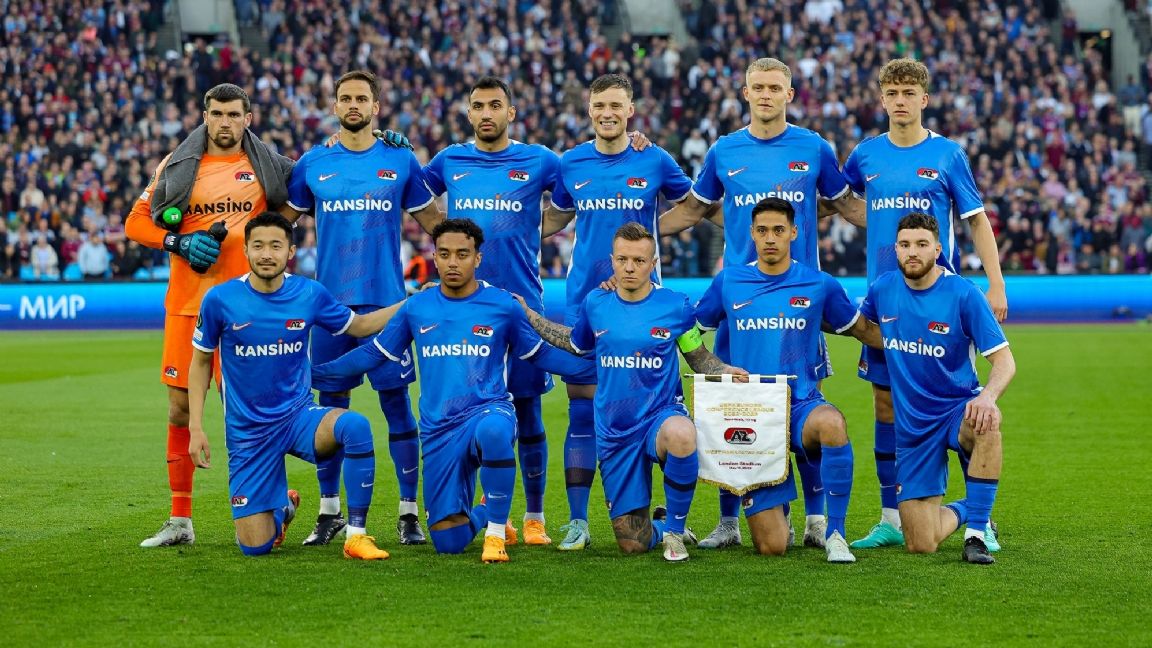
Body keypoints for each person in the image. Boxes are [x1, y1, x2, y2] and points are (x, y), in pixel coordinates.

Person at [658, 57, 864, 550]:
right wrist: (637, 231)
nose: (766, 94)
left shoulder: (814, 147)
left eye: (775, 87)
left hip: (798, 303)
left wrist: (904, 217)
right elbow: (694, 209)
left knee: (804, 402)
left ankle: (817, 520)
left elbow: (844, 204)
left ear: (789, 94)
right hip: (739, 301)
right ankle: (729, 522)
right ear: (745, 93)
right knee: (732, 404)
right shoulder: (725, 151)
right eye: (758, 87)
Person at [312, 219, 591, 563]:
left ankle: (495, 535)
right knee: (449, 541)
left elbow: (542, 355)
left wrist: (600, 371)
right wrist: (314, 374)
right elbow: (373, 354)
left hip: (488, 411)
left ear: (478, 258)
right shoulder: (417, 307)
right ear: (435, 257)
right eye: (444, 254)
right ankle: (484, 511)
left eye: (462, 254)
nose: (453, 262)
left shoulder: (502, 305)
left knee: (494, 431)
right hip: (439, 431)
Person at [841, 58, 1008, 551]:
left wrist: (996, 284)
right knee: (885, 404)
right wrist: (872, 217)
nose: (900, 101)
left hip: (939, 302)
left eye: (908, 93)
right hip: (886, 302)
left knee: (960, 403)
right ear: (882, 99)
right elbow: (840, 200)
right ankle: (891, 517)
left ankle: (980, 519)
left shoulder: (948, 154)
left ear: (924, 99)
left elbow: (975, 219)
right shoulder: (866, 155)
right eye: (892, 93)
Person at [126, 83, 296, 547]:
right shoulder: (177, 164)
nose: (225, 122)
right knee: (180, 408)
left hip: (249, 307)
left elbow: (312, 183)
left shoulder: (267, 166)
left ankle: (277, 500)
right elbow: (135, 222)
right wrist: (178, 242)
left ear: (248, 118)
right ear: (205, 116)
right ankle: (180, 520)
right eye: (217, 114)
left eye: (234, 114)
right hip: (188, 304)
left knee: (248, 410)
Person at [520, 222, 748, 562]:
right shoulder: (595, 304)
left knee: (682, 433)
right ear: (612, 260)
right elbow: (574, 343)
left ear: (653, 264)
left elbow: (698, 356)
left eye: (639, 261)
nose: (629, 267)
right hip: (616, 432)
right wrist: (529, 316)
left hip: (661, 417)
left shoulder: (676, 306)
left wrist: (725, 371)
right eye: (623, 259)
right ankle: (660, 525)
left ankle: (674, 532)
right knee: (633, 542)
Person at [283, 70, 442, 548]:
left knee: (398, 407)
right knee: (331, 412)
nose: (353, 105)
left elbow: (436, 224)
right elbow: (279, 223)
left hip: (388, 306)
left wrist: (462, 265)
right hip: (329, 310)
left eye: (362, 98)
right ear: (335, 106)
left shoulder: (400, 159)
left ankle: (408, 513)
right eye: (345, 98)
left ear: (376, 107)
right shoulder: (313, 163)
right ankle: (329, 510)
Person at [539, 73, 694, 551]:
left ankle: (668, 513)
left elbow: (694, 206)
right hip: (587, 303)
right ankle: (579, 522)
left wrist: (650, 239)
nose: (607, 113)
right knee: (582, 408)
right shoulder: (571, 162)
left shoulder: (654, 158)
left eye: (616, 105)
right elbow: (558, 216)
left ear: (630, 110)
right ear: (589, 110)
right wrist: (499, 227)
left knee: (651, 405)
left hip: (644, 307)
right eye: (599, 105)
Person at [187, 212, 395, 559]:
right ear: (246, 251)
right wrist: (195, 427)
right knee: (255, 548)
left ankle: (356, 536)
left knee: (355, 425)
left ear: (290, 252)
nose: (266, 254)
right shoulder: (219, 300)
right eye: (258, 246)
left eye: (275, 246)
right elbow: (200, 362)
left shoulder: (309, 293)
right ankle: (283, 507)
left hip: (298, 418)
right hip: (249, 434)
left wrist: (410, 304)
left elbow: (359, 326)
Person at [419, 76, 571, 544]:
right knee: (472, 409)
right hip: (465, 310)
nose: (487, 113)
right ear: (469, 113)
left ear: (511, 112)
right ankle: (487, 510)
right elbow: (411, 193)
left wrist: (536, 228)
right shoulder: (450, 160)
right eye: (478, 106)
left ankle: (534, 517)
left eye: (495, 105)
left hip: (521, 304)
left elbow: (575, 195)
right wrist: (446, 240)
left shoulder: (540, 160)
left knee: (528, 410)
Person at [694, 198, 881, 562]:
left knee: (832, 424)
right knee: (773, 547)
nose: (770, 238)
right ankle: (766, 510)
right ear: (751, 233)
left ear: (794, 233)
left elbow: (862, 329)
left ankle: (835, 533)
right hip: (750, 415)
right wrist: (713, 367)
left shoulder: (819, 284)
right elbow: (689, 331)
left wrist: (913, 338)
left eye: (778, 230)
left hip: (800, 406)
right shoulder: (729, 282)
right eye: (762, 230)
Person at [857, 212, 1014, 564]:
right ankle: (972, 509)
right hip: (914, 428)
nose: (912, 252)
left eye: (921, 244)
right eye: (905, 245)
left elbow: (1005, 361)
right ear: (896, 249)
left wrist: (987, 397)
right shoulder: (882, 289)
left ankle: (977, 534)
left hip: (956, 410)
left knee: (987, 423)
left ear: (938, 249)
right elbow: (865, 329)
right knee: (920, 543)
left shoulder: (964, 294)